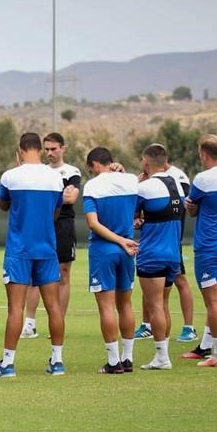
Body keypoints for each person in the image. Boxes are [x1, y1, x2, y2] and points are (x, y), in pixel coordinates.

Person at [0, 133, 75, 378]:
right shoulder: (56, 178)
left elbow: (3, 205)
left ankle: (7, 364)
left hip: (19, 251)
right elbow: (57, 211)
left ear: (20, 150)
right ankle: (57, 362)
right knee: (54, 307)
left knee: (16, 308)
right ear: (39, 149)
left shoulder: (10, 176)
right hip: (47, 249)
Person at [82, 147, 140, 374]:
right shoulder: (130, 181)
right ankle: (128, 359)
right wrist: (124, 241)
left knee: (106, 307)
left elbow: (93, 223)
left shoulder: (93, 186)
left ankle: (114, 362)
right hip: (127, 249)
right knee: (125, 304)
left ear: (95, 164)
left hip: (104, 249)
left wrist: (117, 241)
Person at [182, 135, 217, 368]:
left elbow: (192, 207)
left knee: (213, 301)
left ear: (204, 153)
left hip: (210, 247)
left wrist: (192, 206)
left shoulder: (203, 179)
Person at [22, 133, 81, 340]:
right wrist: (59, 196)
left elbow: (71, 197)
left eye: (54, 149)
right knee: (34, 274)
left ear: (63, 148)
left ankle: (59, 322)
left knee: (63, 273)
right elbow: (61, 196)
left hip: (63, 225)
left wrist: (51, 198)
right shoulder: (42, 172)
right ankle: (29, 324)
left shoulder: (71, 172)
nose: (50, 153)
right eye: (46, 149)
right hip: (41, 225)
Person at [134, 144, 186, 370]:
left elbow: (132, 215)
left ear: (146, 163)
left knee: (154, 306)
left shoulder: (145, 188)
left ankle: (162, 358)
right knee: (163, 304)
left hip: (152, 254)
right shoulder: (178, 185)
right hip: (173, 254)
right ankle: (162, 355)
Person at [138, 159, 198, 343]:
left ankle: (188, 327)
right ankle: (147, 326)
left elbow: (185, 207)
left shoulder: (177, 177)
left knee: (170, 289)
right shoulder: (164, 181)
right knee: (158, 297)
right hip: (169, 244)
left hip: (164, 242)